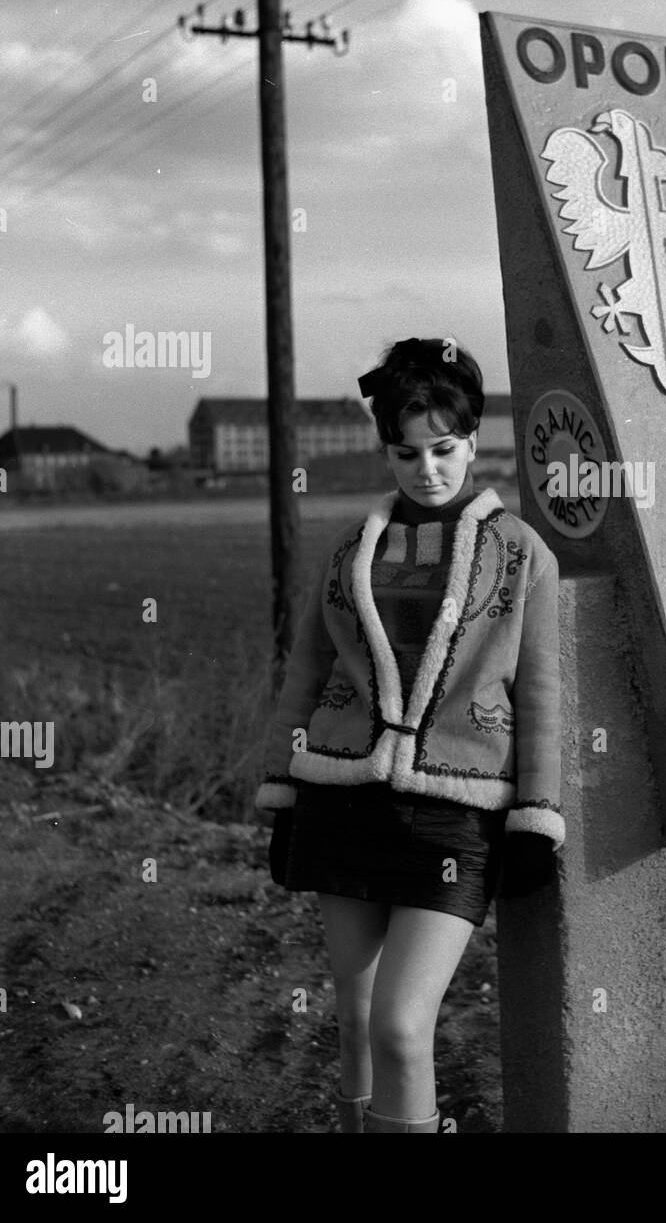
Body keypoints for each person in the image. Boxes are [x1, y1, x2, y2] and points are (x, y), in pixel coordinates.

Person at [257, 337, 562, 1134]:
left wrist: (536, 814)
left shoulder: (521, 552)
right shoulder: (353, 549)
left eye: (445, 449)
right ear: (386, 449)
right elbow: (306, 671)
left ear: (472, 441)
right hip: (340, 799)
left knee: (399, 1025)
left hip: (454, 816)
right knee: (355, 1023)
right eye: (406, 452)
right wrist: (283, 788)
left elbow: (540, 690)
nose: (427, 469)